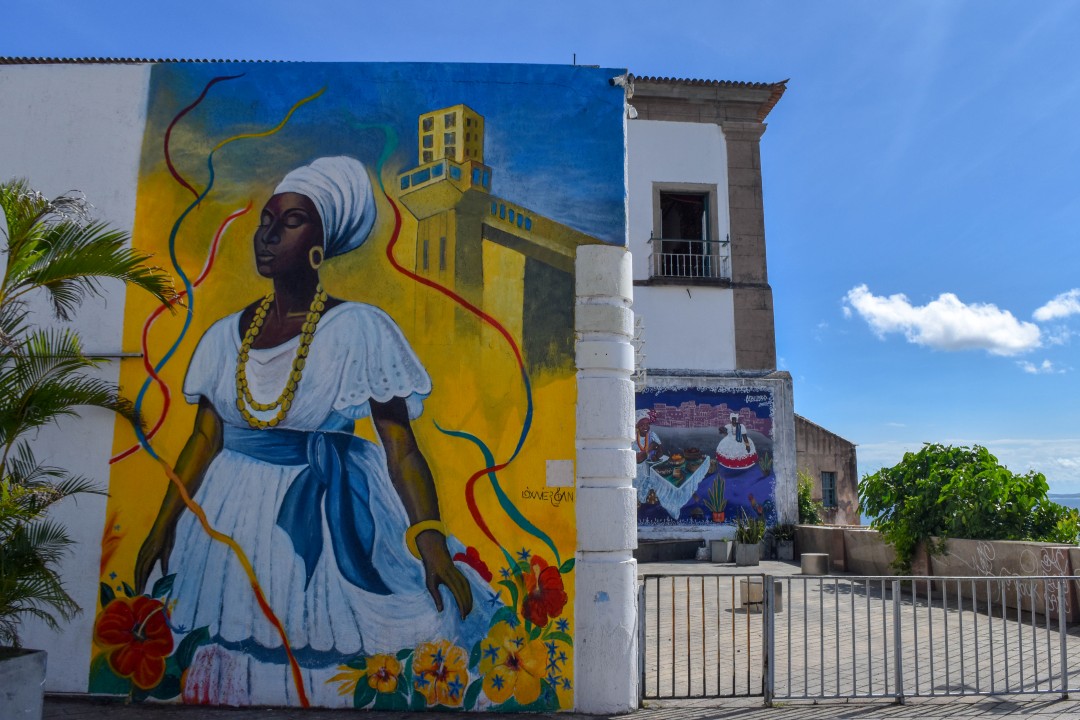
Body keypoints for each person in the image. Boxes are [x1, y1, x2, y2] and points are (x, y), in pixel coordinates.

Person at [134, 156, 492, 706]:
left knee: (338, 650)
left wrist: (431, 542)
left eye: (293, 221)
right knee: (229, 644)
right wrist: (163, 523)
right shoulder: (223, 336)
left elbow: (400, 447)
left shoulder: (360, 330)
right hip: (228, 516)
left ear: (323, 242)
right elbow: (204, 439)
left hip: (324, 515)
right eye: (267, 221)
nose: (270, 235)